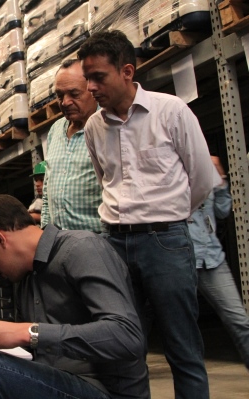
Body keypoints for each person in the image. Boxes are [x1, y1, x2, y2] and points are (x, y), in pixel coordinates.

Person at [78, 30, 214, 398]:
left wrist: (167, 219)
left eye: (98, 77)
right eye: (87, 77)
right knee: (121, 347)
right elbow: (104, 178)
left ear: (126, 71)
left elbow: (201, 178)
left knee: (182, 347)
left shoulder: (171, 111)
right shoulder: (93, 127)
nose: (90, 86)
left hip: (165, 242)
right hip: (115, 244)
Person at [0, 194, 149, 399]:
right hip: (58, 381)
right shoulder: (24, 277)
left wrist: (29, 332)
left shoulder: (82, 248)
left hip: (104, 389)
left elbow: (127, 336)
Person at [189, 156, 249, 370]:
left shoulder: (208, 167)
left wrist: (221, 179)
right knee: (182, 333)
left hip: (212, 258)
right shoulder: (171, 170)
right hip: (180, 259)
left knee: (240, 320)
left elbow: (223, 211)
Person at [40, 59, 102, 233]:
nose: (65, 102)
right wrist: (46, 230)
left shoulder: (106, 126)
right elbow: (47, 189)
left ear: (92, 89)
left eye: (74, 94)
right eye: (60, 96)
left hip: (98, 241)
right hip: (61, 243)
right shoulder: (55, 130)